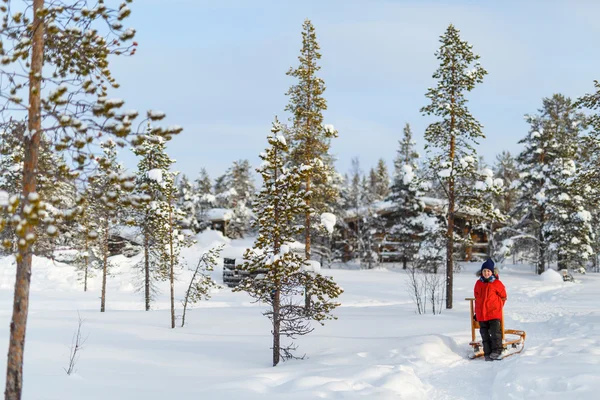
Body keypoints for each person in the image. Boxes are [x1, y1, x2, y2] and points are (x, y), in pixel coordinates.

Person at [474, 258, 507, 361]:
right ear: (481, 272)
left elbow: (503, 296)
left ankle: (497, 351)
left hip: (494, 313)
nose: (486, 273)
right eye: (484, 271)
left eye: (488, 271)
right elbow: (477, 298)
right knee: (484, 333)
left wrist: (498, 307)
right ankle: (487, 353)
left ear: (492, 272)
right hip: (482, 314)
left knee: (495, 332)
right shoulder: (478, 283)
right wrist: (477, 312)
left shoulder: (497, 283)